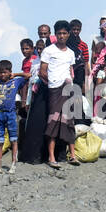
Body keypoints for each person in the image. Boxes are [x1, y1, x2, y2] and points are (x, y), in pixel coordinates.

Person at [39, 20, 78, 168]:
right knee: (53, 122)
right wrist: (53, 82)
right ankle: (51, 157)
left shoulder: (71, 53)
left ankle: (72, 156)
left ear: (68, 35)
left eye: (64, 33)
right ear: (55, 35)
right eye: (59, 33)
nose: (62, 36)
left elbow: (71, 70)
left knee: (69, 122)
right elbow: (42, 72)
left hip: (68, 89)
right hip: (54, 90)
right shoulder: (48, 50)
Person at [0, 60, 27, 174]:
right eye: (0, 72)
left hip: (11, 114)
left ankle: (13, 163)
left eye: (5, 72)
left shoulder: (15, 82)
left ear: (10, 72)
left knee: (13, 139)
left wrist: (15, 74)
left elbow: (28, 75)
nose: (3, 75)